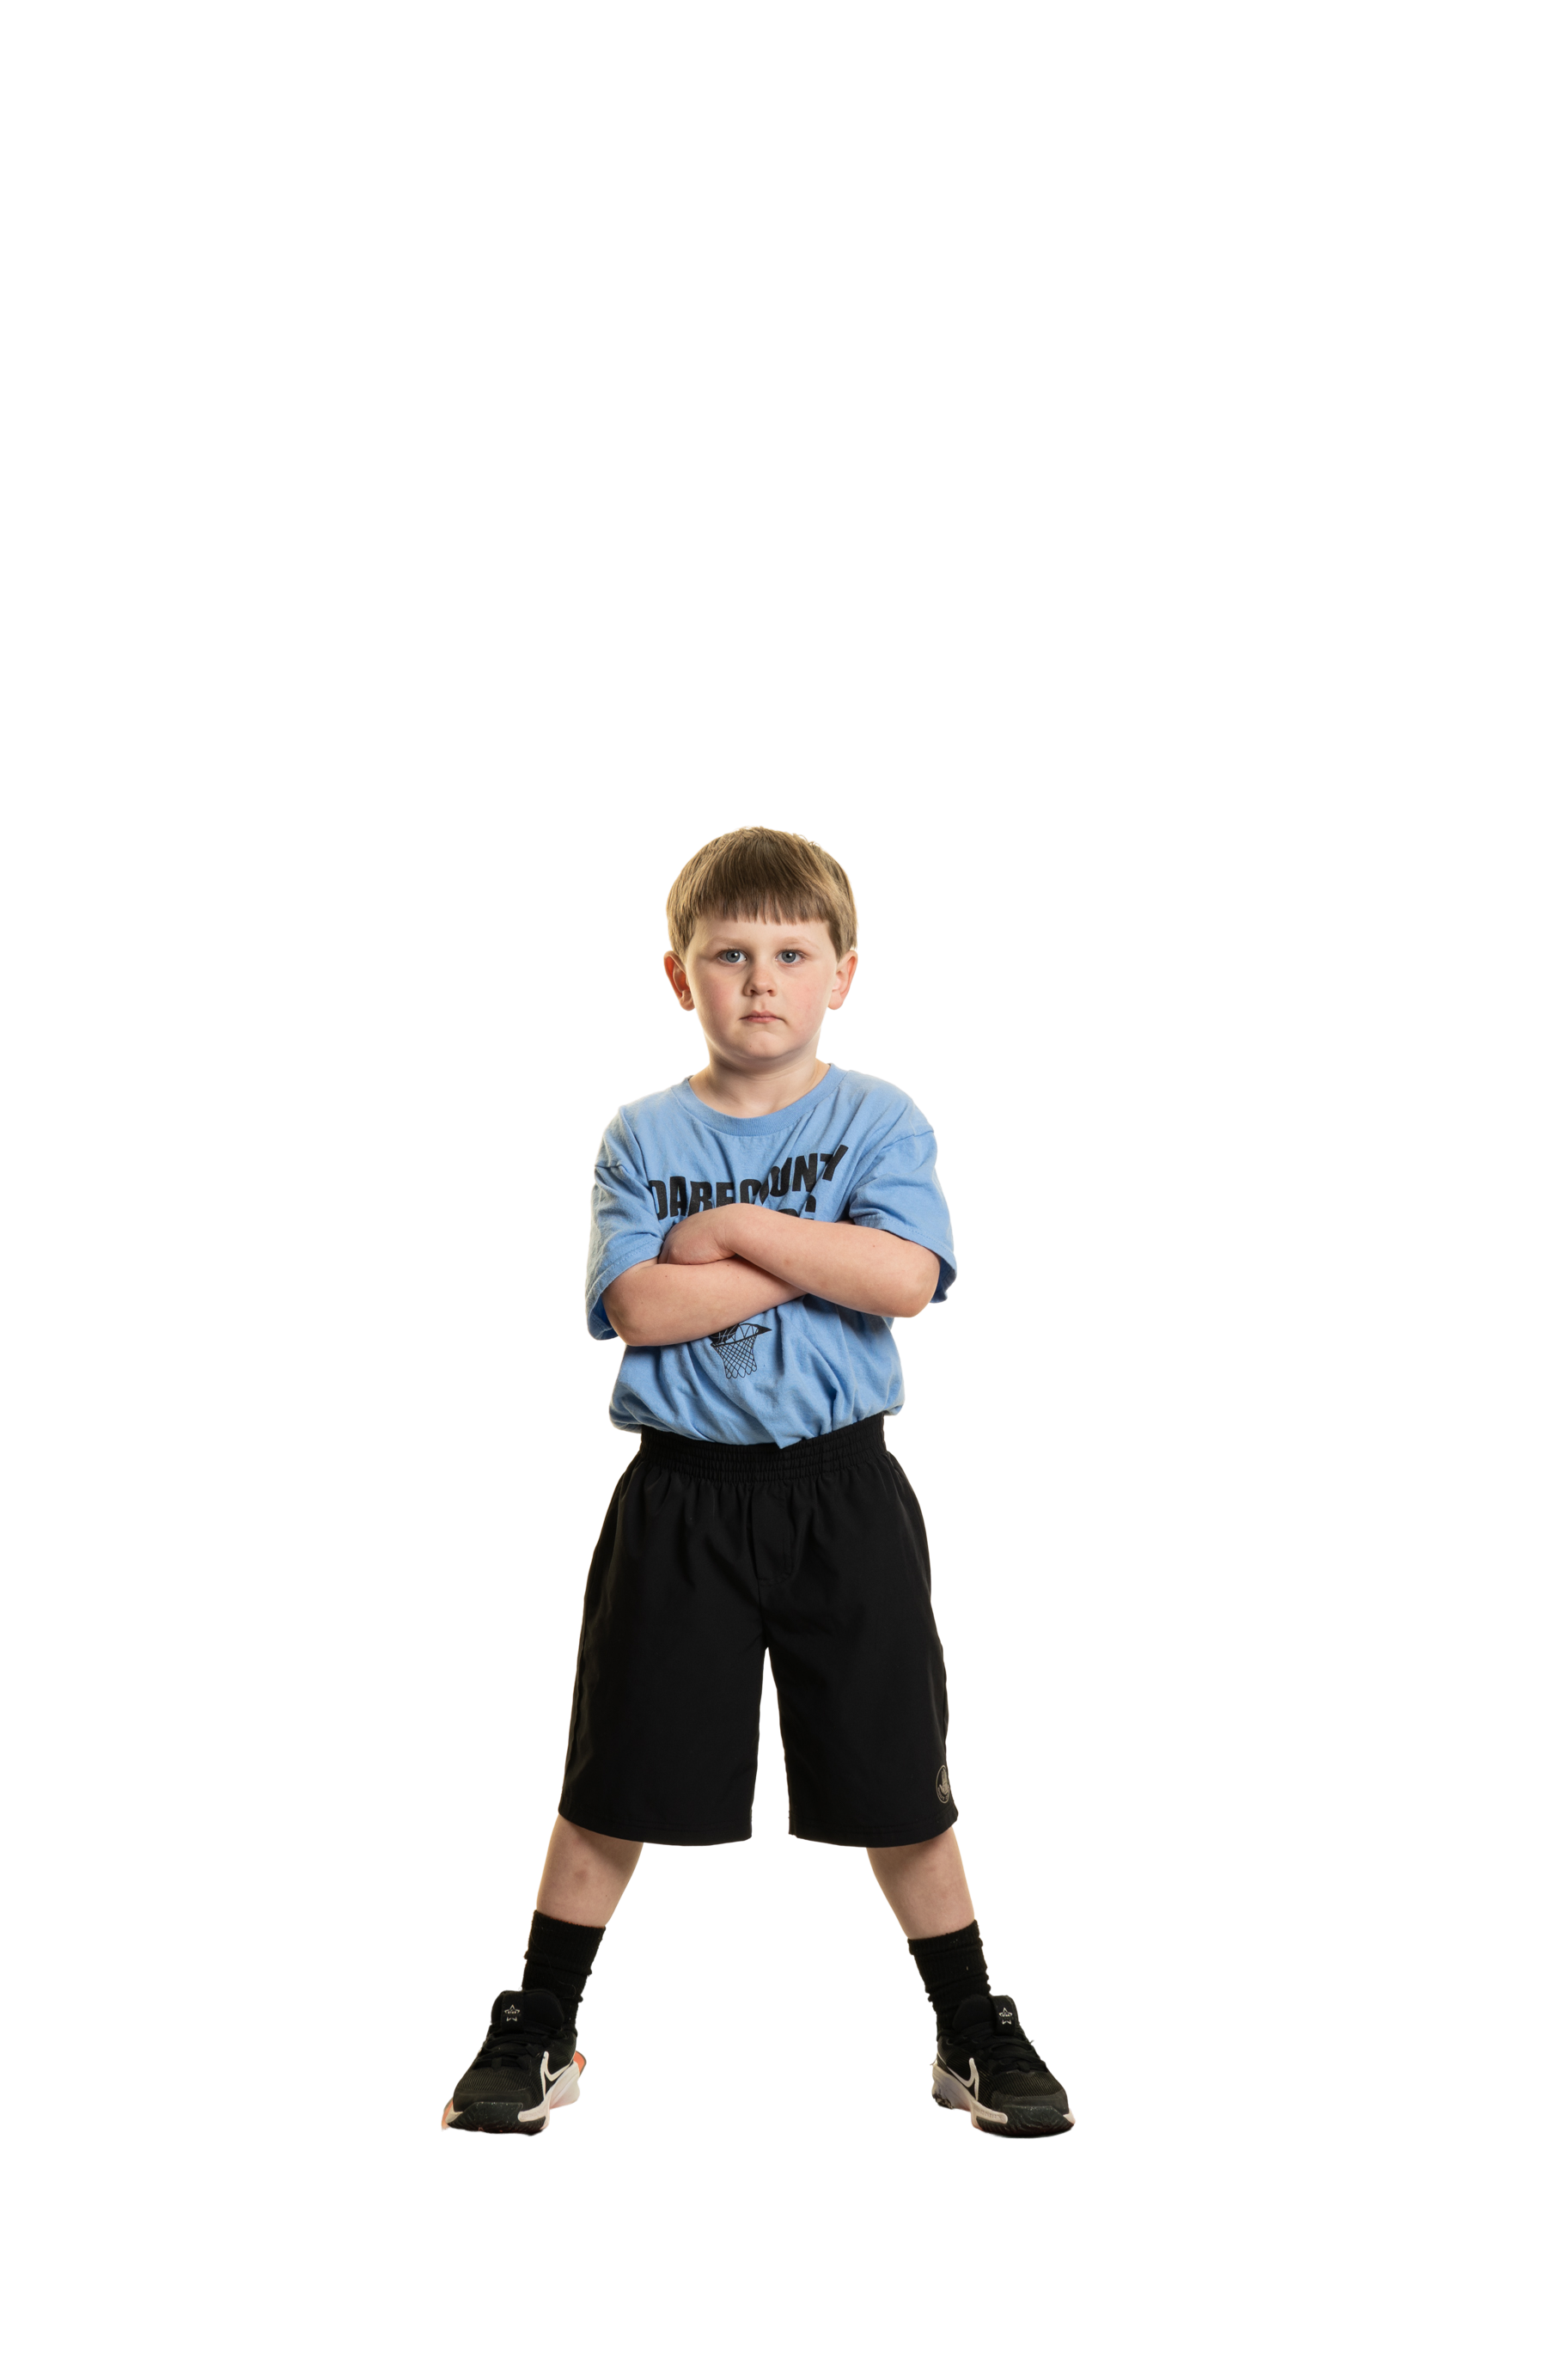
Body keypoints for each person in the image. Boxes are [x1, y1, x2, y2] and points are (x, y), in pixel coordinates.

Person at [441, 825, 1074, 2139]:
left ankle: (973, 2024)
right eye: (731, 955)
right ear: (682, 977)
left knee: (901, 1778)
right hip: (678, 1494)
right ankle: (540, 2020)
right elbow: (635, 1305)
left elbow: (906, 1279)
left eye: (792, 952)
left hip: (845, 1491)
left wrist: (732, 1229)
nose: (762, 979)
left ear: (843, 971)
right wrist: (819, 1252)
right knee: (610, 1776)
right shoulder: (641, 1130)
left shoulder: (878, 1115)